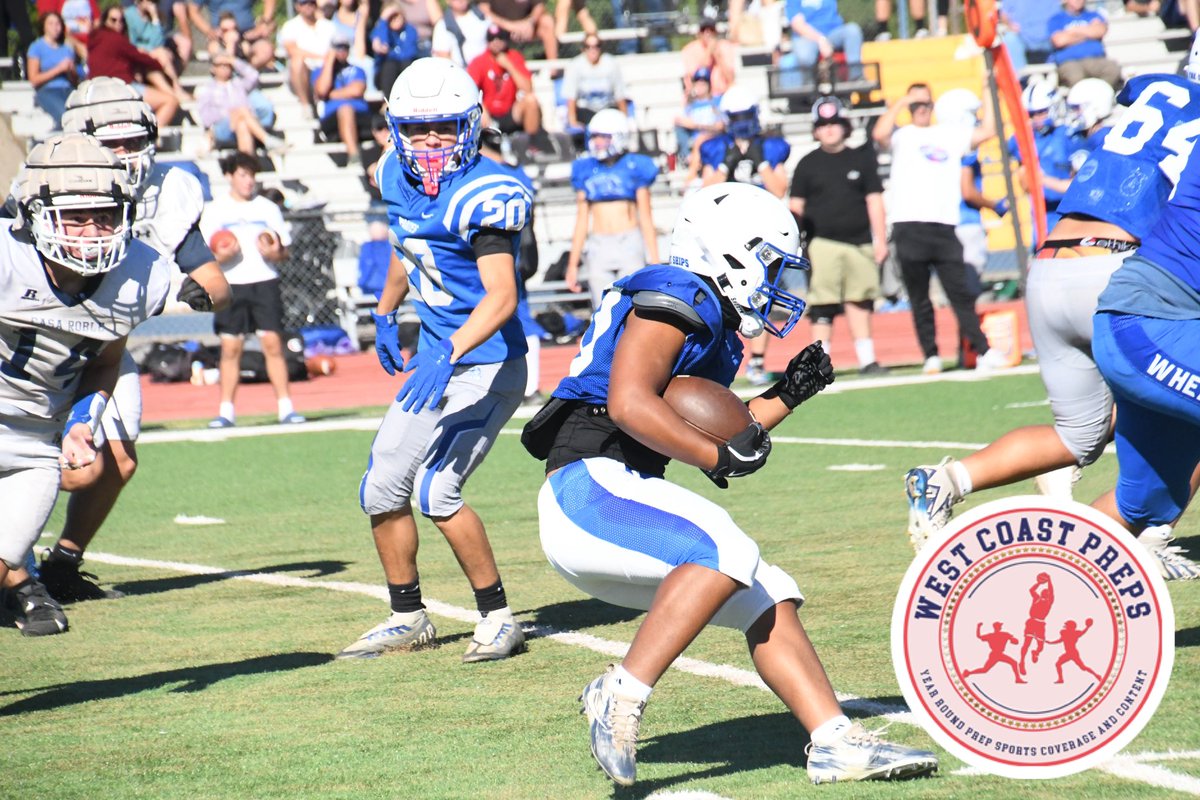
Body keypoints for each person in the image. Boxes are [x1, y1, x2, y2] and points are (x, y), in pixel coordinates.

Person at [521, 182, 938, 787]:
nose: (775, 279)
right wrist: (715, 453)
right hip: (589, 485)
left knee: (768, 591)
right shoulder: (676, 292)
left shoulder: (710, 323)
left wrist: (788, 396)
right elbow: (631, 403)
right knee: (725, 550)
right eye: (769, 261)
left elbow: (728, 438)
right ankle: (621, 695)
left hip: (622, 498)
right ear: (732, 252)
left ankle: (834, 741)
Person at [904, 53, 1200, 581]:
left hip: (1049, 268)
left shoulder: (1152, 99)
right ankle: (1149, 534)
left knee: (1078, 435)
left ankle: (947, 481)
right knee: (1167, 410)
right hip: (1116, 269)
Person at [11, 79, 234, 607]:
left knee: (113, 465)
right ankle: (16, 570)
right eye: (116, 143)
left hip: (101, 341)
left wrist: (165, 298)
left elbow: (217, 288)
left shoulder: (167, 191)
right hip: (31, 341)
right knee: (63, 465)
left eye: (137, 142)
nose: (128, 156)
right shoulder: (44, 185)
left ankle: (60, 563)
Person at [340, 58, 532, 663]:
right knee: (381, 487)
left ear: (469, 126)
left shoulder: (488, 192)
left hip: (488, 363)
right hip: (436, 357)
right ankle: (407, 617)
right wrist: (385, 310)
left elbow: (502, 297)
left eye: (443, 128)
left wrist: (446, 350)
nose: (429, 141)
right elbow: (407, 242)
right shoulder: (393, 174)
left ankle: (498, 617)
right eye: (417, 129)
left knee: (437, 490)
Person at [0, 133, 171, 635]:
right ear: (34, 214)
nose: (93, 231)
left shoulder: (140, 273)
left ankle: (22, 587)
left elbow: (104, 362)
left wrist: (80, 424)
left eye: (105, 215)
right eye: (76, 216)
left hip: (35, 445)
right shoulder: (8, 260)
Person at [872, 82, 1008, 376]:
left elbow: (988, 131)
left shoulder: (948, 134)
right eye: (915, 106)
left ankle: (983, 350)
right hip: (908, 225)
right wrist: (901, 101)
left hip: (944, 226)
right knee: (920, 296)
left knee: (960, 294)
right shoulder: (902, 135)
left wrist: (988, 90)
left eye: (926, 105)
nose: (921, 110)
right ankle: (930, 355)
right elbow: (879, 133)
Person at [200, 152, 306, 429]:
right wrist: (224, 255)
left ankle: (286, 408)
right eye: (243, 175)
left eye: (252, 176)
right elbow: (208, 255)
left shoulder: (267, 208)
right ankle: (226, 412)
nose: (249, 182)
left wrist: (274, 252)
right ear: (229, 177)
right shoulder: (216, 209)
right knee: (231, 347)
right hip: (231, 285)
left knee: (272, 344)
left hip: (264, 282)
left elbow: (283, 251)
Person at [788, 96, 888, 376]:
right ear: (815, 130)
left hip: (860, 242)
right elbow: (796, 208)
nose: (829, 129)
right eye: (823, 124)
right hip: (822, 244)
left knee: (860, 300)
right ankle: (820, 363)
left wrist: (880, 240)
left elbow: (875, 201)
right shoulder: (807, 164)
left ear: (845, 125)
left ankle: (867, 359)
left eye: (834, 122)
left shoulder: (861, 159)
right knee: (822, 303)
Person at [701, 86, 790, 385]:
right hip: (725, 231)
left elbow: (778, 189)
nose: (740, 121)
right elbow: (705, 192)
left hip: (761, 230)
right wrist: (727, 163)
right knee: (722, 297)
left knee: (761, 296)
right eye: (735, 116)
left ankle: (758, 362)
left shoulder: (771, 147)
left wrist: (759, 161)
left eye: (744, 115)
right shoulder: (715, 148)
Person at [564, 108, 659, 311]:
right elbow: (581, 220)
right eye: (595, 136)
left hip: (629, 242)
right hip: (599, 245)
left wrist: (655, 258)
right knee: (602, 310)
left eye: (603, 136)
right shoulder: (585, 168)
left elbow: (646, 215)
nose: (597, 141)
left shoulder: (634, 165)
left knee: (635, 307)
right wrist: (572, 264)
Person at [87, 7, 182, 127]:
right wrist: (160, 64)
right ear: (105, 21)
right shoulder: (115, 39)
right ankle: (152, 136)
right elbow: (141, 58)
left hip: (99, 90)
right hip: (121, 88)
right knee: (171, 101)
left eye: (121, 21)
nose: (118, 24)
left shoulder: (94, 40)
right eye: (113, 20)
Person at [1009, 81, 1074, 240]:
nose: (1037, 119)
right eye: (1032, 114)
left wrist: (1043, 180)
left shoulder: (1068, 135)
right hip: (1041, 218)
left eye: (1041, 112)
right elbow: (1025, 185)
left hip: (1069, 215)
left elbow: (1079, 183)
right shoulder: (1022, 139)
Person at [197, 53, 286, 155]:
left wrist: (234, 61)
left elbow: (253, 75)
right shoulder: (207, 89)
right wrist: (230, 114)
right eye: (220, 65)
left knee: (242, 124)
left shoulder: (238, 84)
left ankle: (248, 163)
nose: (224, 68)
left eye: (227, 65)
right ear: (213, 68)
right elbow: (206, 117)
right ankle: (267, 140)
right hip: (221, 127)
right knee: (240, 111)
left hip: (244, 122)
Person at [466, 24, 543, 139]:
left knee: (531, 101)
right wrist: (482, 109)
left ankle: (531, 145)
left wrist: (509, 66)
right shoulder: (479, 61)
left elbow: (528, 89)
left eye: (500, 38)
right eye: (492, 39)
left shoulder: (514, 57)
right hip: (488, 114)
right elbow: (470, 90)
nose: (496, 42)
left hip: (510, 111)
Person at [313, 33, 370, 161]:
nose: (342, 51)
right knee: (345, 109)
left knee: (347, 108)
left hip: (360, 115)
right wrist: (329, 62)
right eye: (337, 47)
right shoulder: (320, 71)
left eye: (345, 47)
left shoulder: (357, 70)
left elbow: (357, 90)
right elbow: (322, 90)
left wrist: (331, 94)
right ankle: (354, 156)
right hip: (332, 118)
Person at [27, 12, 84, 129]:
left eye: (58, 23)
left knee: (80, 116)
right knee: (65, 117)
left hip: (68, 88)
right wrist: (58, 69)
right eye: (51, 23)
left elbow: (75, 80)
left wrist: (72, 70)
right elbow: (34, 79)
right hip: (48, 90)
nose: (55, 27)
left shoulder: (66, 49)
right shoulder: (36, 47)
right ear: (44, 26)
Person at [1049, 0, 1122, 89]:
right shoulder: (1057, 19)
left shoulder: (1093, 15)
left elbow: (1100, 31)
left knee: (1112, 69)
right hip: (1069, 62)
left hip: (1095, 60)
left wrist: (1072, 31)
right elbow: (1059, 41)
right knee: (1076, 76)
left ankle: (1100, 94)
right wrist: (1088, 31)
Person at [782, 0, 864, 79]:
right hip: (807, 37)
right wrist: (821, 40)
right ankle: (810, 88)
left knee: (852, 30)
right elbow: (798, 25)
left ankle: (856, 77)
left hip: (833, 33)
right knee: (805, 55)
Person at [562, 33, 626, 132]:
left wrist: (623, 119)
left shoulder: (611, 64)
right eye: (588, 46)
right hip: (586, 111)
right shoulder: (575, 65)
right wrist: (573, 121)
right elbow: (571, 97)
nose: (593, 50)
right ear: (583, 48)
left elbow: (620, 95)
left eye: (597, 46)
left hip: (607, 109)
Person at [278, 0, 335, 109]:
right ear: (297, 6)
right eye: (303, 3)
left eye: (311, 2)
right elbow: (292, 50)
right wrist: (319, 56)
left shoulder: (328, 25)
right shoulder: (290, 26)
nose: (308, 6)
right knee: (297, 61)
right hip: (304, 72)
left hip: (326, 69)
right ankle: (305, 106)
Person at [674, 66, 723, 187]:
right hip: (694, 143)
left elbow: (720, 126)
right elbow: (683, 123)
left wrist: (697, 126)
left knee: (701, 140)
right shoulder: (691, 106)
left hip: (713, 139)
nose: (700, 86)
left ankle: (690, 178)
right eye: (698, 82)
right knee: (680, 126)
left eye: (704, 83)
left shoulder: (716, 102)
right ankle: (688, 158)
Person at [477, 0, 558, 60]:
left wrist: (530, 23)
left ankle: (553, 71)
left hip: (527, 28)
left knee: (547, 21)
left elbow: (539, 6)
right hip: (499, 30)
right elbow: (484, 11)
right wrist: (510, 26)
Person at [681, 15, 738, 98]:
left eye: (711, 30)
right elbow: (695, 76)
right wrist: (709, 51)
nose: (708, 33)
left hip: (723, 94)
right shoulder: (690, 50)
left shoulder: (725, 46)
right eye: (704, 30)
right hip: (700, 97)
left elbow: (730, 78)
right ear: (699, 33)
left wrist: (717, 55)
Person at [370, 1, 420, 94]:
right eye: (390, 17)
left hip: (404, 68)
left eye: (396, 16)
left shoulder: (410, 30)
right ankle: (389, 102)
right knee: (389, 66)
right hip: (384, 75)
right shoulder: (380, 30)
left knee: (407, 65)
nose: (395, 19)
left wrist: (390, 52)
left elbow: (409, 53)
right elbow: (382, 46)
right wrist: (383, 22)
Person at [430, 0, 488, 68]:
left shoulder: (482, 16)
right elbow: (442, 56)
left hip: (487, 70)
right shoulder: (443, 25)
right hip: (462, 72)